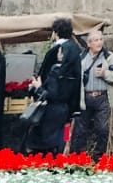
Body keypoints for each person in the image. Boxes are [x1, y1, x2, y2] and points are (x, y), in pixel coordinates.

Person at [29, 17, 83, 154]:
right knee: (61, 138)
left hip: (52, 104)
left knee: (46, 142)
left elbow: (49, 85)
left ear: (55, 32)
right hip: (68, 104)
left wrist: (38, 87)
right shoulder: (76, 50)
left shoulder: (57, 52)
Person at [70, 28, 113, 160]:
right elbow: (74, 76)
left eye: (100, 39)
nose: (99, 43)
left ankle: (99, 157)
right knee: (80, 130)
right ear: (89, 44)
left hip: (103, 97)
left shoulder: (109, 57)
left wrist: (106, 74)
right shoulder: (81, 58)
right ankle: (78, 158)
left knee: (103, 129)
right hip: (85, 98)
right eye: (95, 40)